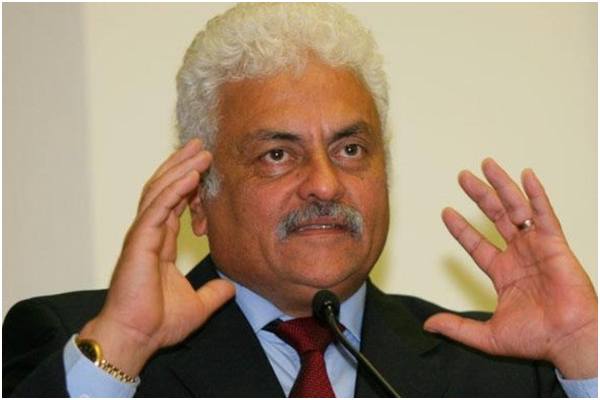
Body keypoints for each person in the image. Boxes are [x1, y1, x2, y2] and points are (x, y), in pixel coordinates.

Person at [3, 3, 597, 397]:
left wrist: (585, 353)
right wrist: (125, 345)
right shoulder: (91, 348)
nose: (325, 184)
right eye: (277, 155)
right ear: (199, 200)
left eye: (350, 149)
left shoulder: (506, 372)